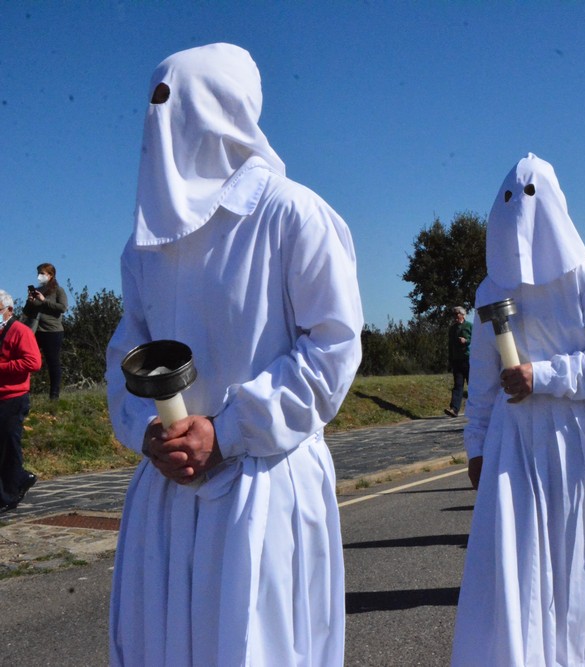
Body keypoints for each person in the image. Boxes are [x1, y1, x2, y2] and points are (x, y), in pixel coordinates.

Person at [104, 43, 363, 666]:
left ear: (219, 108)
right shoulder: (146, 246)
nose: (156, 120)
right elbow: (125, 357)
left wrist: (225, 433)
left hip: (263, 480)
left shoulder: (292, 214)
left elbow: (332, 346)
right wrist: (149, 434)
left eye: (171, 102)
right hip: (169, 484)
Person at [452, 154, 585, 667]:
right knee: (523, 550)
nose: (521, 209)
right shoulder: (492, 290)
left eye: (532, 196)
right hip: (515, 439)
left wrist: (546, 376)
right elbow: (484, 381)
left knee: (580, 544)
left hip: (578, 431)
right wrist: (475, 445)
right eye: (511, 197)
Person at [0, 289, 42, 512]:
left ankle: (9, 493)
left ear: (9, 309)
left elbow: (33, 363)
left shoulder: (20, 331)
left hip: (14, 396)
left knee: (9, 444)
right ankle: (19, 479)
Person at [22, 262, 68, 399]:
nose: (39, 276)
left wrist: (44, 301)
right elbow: (26, 312)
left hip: (53, 331)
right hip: (36, 330)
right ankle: (24, 393)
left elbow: (63, 308)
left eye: (42, 273)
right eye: (38, 273)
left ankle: (54, 396)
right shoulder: (36, 290)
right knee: (28, 360)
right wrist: (30, 302)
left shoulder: (59, 290)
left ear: (50, 275)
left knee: (52, 361)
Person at [445, 305, 472, 417]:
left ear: (463, 315)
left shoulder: (469, 326)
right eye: (454, 315)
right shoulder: (452, 329)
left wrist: (466, 341)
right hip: (457, 360)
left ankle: (477, 408)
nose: (455, 317)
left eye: (457, 314)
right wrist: (450, 359)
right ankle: (454, 409)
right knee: (458, 385)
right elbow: (450, 345)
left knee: (473, 385)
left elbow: (476, 339)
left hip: (468, 359)